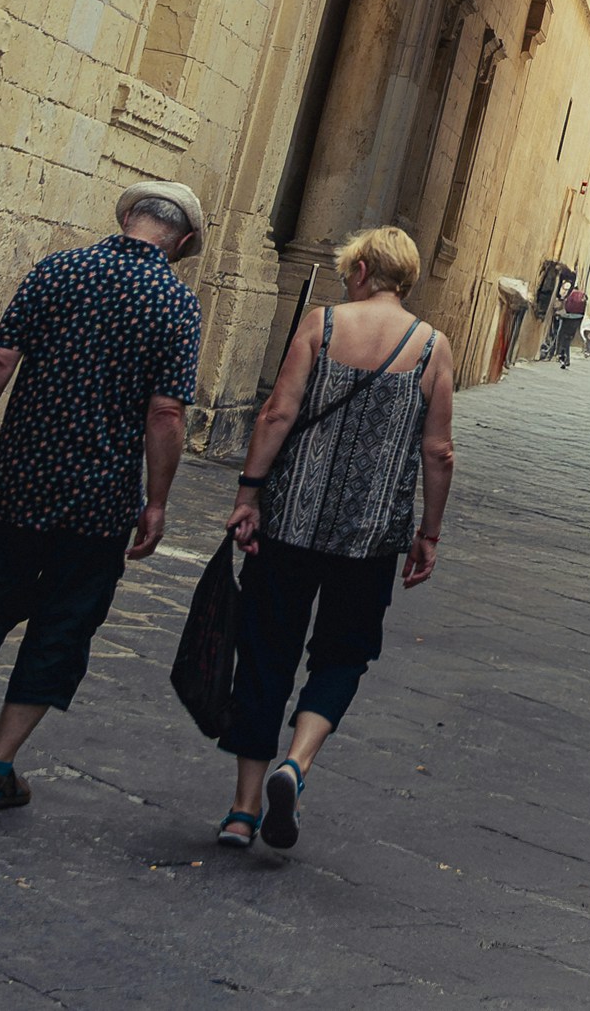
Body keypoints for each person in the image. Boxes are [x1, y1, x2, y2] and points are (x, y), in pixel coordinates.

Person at [0, 181, 203, 814]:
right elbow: (166, 413)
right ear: (185, 244)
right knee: (62, 629)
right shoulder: (176, 302)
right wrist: (156, 501)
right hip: (99, 501)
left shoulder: (57, 269)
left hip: (19, 479)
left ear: (125, 216)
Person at [214, 224, 455, 852]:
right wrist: (428, 533)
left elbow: (278, 413)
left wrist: (247, 494)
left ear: (363, 269)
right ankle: (297, 762)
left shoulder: (322, 326)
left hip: (291, 519)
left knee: (265, 649)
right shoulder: (433, 348)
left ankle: (242, 810)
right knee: (343, 654)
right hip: (371, 536)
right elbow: (439, 450)